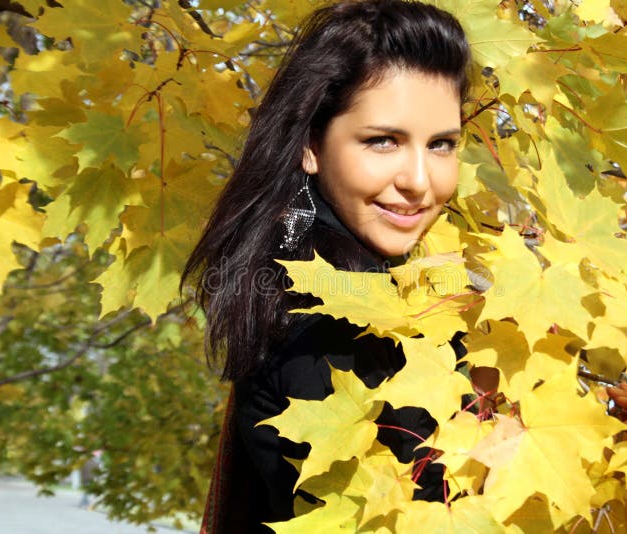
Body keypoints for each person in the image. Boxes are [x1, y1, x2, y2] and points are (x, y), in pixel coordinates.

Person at [180, 1, 471, 531]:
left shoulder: (291, 274)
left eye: (442, 145)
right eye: (382, 141)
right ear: (311, 144)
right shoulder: (335, 319)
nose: (420, 181)